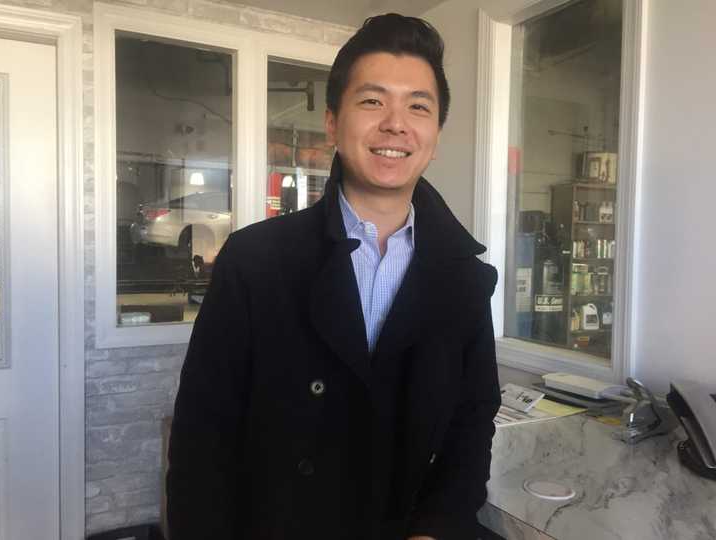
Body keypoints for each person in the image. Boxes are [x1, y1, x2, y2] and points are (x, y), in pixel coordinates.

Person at [167, 13, 501, 540]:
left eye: (418, 106)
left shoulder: (464, 274)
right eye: (372, 101)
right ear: (331, 122)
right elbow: (202, 437)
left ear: (435, 133)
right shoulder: (256, 260)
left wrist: (435, 529)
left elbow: (473, 417)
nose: (396, 123)